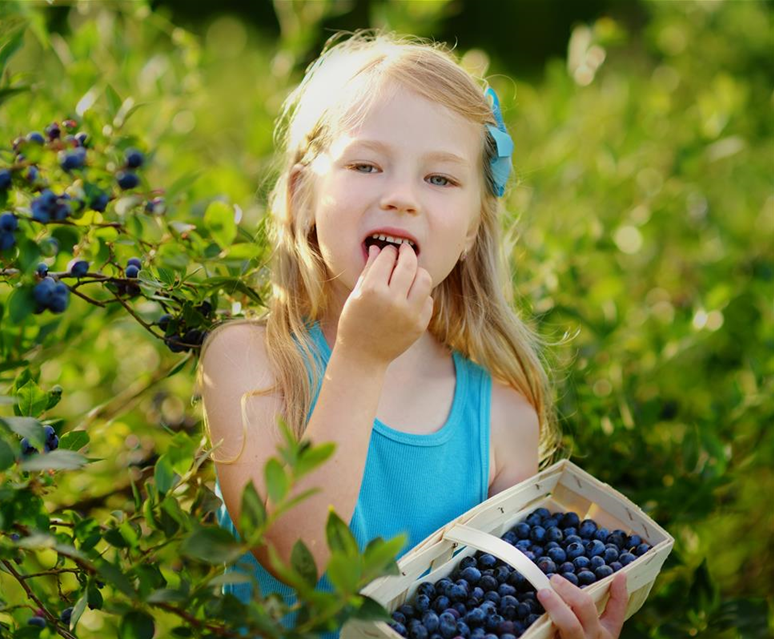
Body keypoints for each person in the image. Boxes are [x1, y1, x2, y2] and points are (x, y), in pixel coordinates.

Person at [196, 29, 629, 638]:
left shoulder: (503, 414)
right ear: (302, 196)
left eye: (441, 179)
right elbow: (299, 556)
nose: (400, 197)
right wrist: (362, 358)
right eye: (366, 165)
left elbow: (496, 613)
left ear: (475, 227)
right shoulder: (250, 361)